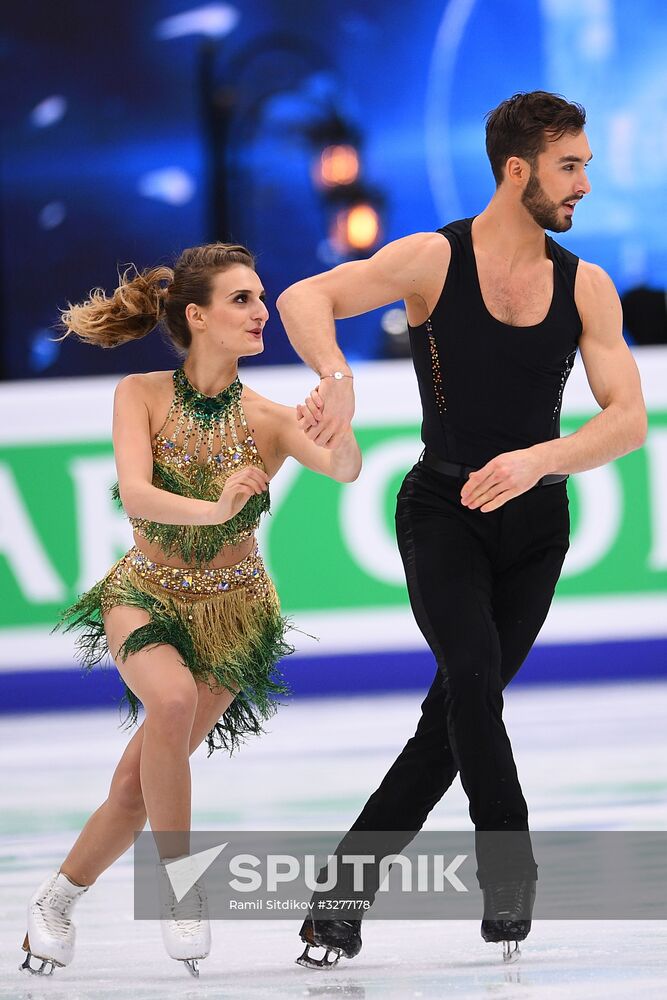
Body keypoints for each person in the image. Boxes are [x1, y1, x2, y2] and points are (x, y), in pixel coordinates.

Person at [277, 91, 647, 966]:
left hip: (533, 527)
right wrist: (335, 374)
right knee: (474, 681)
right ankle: (507, 870)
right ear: (516, 170)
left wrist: (539, 460)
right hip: (441, 513)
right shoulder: (429, 260)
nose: (583, 183)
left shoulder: (583, 284)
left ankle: (338, 899)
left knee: (452, 713)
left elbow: (626, 418)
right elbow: (305, 298)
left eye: (585, 164)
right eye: (569, 166)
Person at [20, 243, 361, 978]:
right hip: (143, 591)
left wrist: (337, 406)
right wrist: (217, 507)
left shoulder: (270, 417)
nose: (261, 311)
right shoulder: (139, 395)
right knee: (169, 701)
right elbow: (138, 495)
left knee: (132, 788)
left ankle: (54, 901)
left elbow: (343, 467)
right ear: (197, 316)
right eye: (242, 300)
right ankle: (181, 888)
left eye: (262, 297)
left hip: (236, 615)